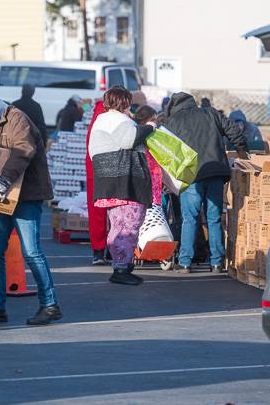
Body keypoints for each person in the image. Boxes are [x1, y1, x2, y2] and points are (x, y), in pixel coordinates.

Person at [0, 89, 61, 326]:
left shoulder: (17, 119)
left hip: (26, 197)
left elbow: (23, 151)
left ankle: (50, 305)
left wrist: (4, 181)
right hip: (1, 199)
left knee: (32, 252)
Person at [163, 92, 248, 274]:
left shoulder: (172, 121)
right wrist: (243, 153)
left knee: (190, 219)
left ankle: (185, 262)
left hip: (191, 174)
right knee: (214, 218)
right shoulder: (211, 113)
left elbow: (165, 151)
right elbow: (233, 131)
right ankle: (216, 262)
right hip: (216, 171)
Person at [88, 87, 154, 286]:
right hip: (124, 181)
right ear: (124, 102)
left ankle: (121, 263)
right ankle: (122, 268)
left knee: (118, 225)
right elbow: (128, 140)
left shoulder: (102, 119)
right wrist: (150, 127)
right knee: (130, 224)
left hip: (110, 181)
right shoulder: (118, 119)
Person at [85, 100, 108, 265]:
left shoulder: (96, 117)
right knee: (117, 212)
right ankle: (111, 250)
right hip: (110, 169)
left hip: (94, 170)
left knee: (97, 213)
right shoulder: (112, 117)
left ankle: (98, 252)